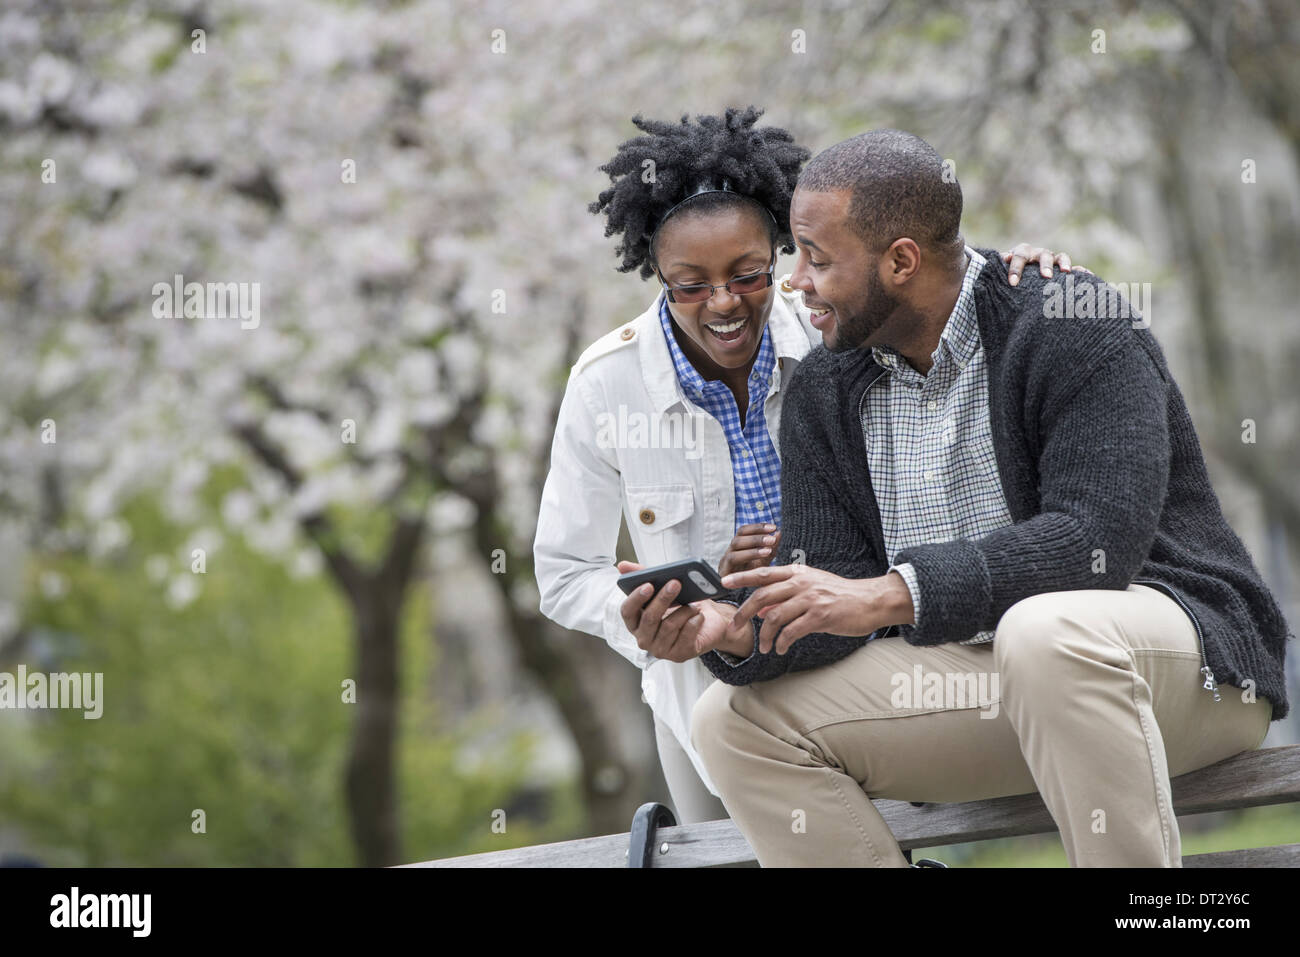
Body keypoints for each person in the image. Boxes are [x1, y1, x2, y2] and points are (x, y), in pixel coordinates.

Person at [690, 129, 1291, 865]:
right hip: (988, 691)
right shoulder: (825, 390)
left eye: (818, 258)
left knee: (1044, 633)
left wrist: (892, 593)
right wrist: (736, 632)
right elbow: (832, 609)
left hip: (1182, 673)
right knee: (731, 720)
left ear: (901, 261)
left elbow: (1093, 543)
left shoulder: (1073, 321)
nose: (797, 282)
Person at [534, 108, 1079, 825]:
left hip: (861, 656)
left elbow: (925, 281)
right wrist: (653, 616)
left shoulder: (837, 327)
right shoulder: (606, 383)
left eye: (749, 274)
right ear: (658, 275)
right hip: (702, 681)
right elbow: (566, 572)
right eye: (690, 284)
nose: (724, 302)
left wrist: (1015, 278)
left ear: (781, 253)